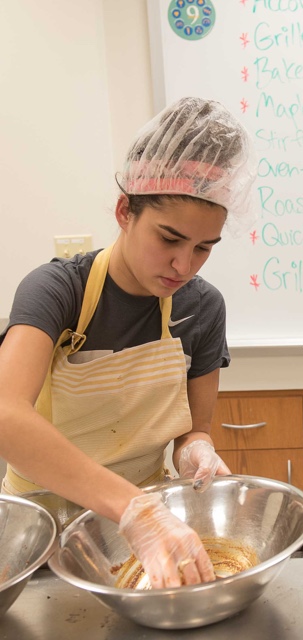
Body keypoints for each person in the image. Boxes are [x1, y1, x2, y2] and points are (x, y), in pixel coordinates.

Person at [0, 96, 256, 586]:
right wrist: (132, 506)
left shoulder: (203, 308)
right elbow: (7, 415)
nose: (184, 265)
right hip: (41, 532)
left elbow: (194, 429)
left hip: (142, 537)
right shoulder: (59, 291)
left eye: (203, 248)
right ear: (125, 211)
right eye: (169, 238)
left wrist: (194, 451)